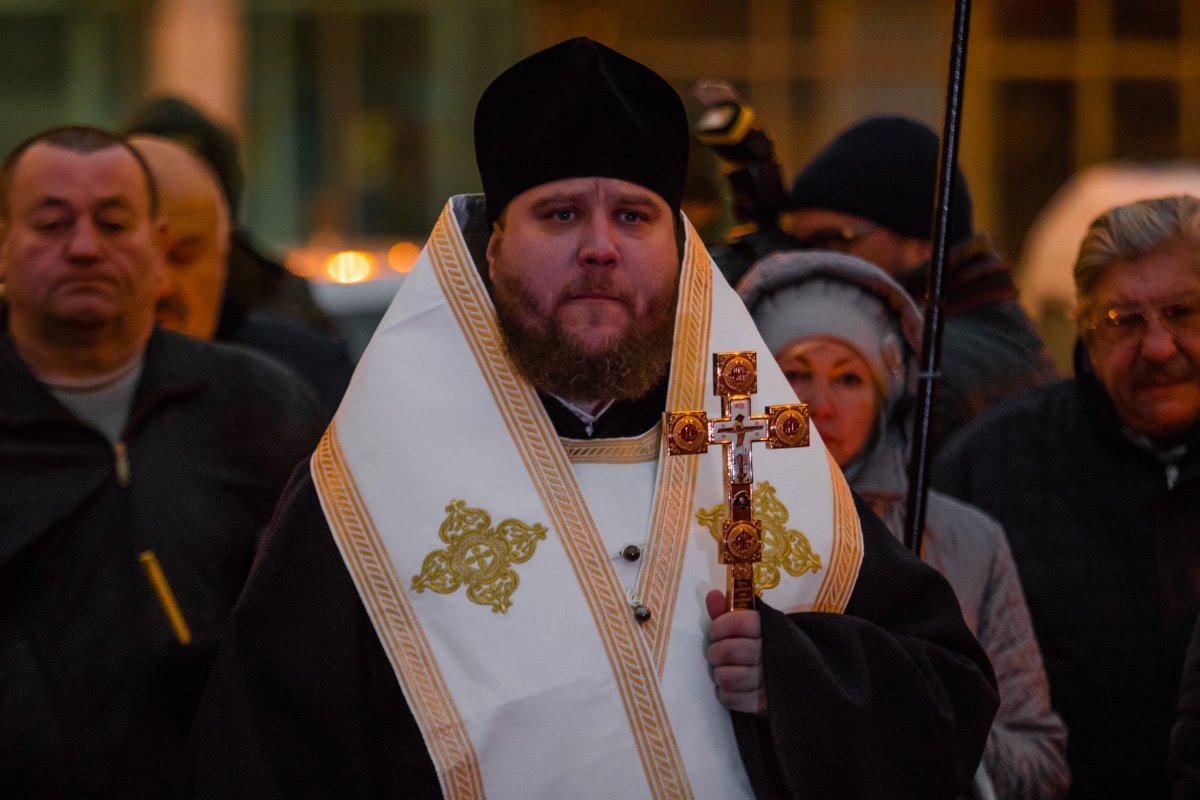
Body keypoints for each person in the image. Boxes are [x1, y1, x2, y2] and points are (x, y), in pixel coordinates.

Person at [186, 38, 997, 800]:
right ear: (492, 246)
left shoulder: (749, 448)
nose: (601, 248)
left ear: (681, 251)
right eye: (562, 214)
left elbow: (951, 697)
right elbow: (261, 760)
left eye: (635, 217)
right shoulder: (367, 493)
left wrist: (800, 679)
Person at [0, 126, 326, 798]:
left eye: (114, 223)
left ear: (156, 247)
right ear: (4, 244)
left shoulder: (262, 411)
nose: (85, 247)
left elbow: (320, 646)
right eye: (52, 222)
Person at [738, 249, 1070, 800]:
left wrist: (928, 713)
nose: (819, 406)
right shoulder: (706, 534)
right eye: (794, 373)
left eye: (848, 378)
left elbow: (1039, 761)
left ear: (886, 396)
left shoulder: (966, 541)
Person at [934, 195, 1200, 799]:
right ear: (1083, 327)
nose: (1158, 348)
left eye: (1183, 312)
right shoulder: (989, 467)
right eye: (1123, 321)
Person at [784, 116, 1057, 448]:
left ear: (922, 245)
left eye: (835, 241)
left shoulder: (932, 373)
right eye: (799, 247)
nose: (810, 263)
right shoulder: (958, 334)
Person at [128, 133, 353, 416]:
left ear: (224, 259)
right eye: (142, 259)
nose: (162, 284)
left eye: (183, 256)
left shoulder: (306, 378)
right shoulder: (62, 390)